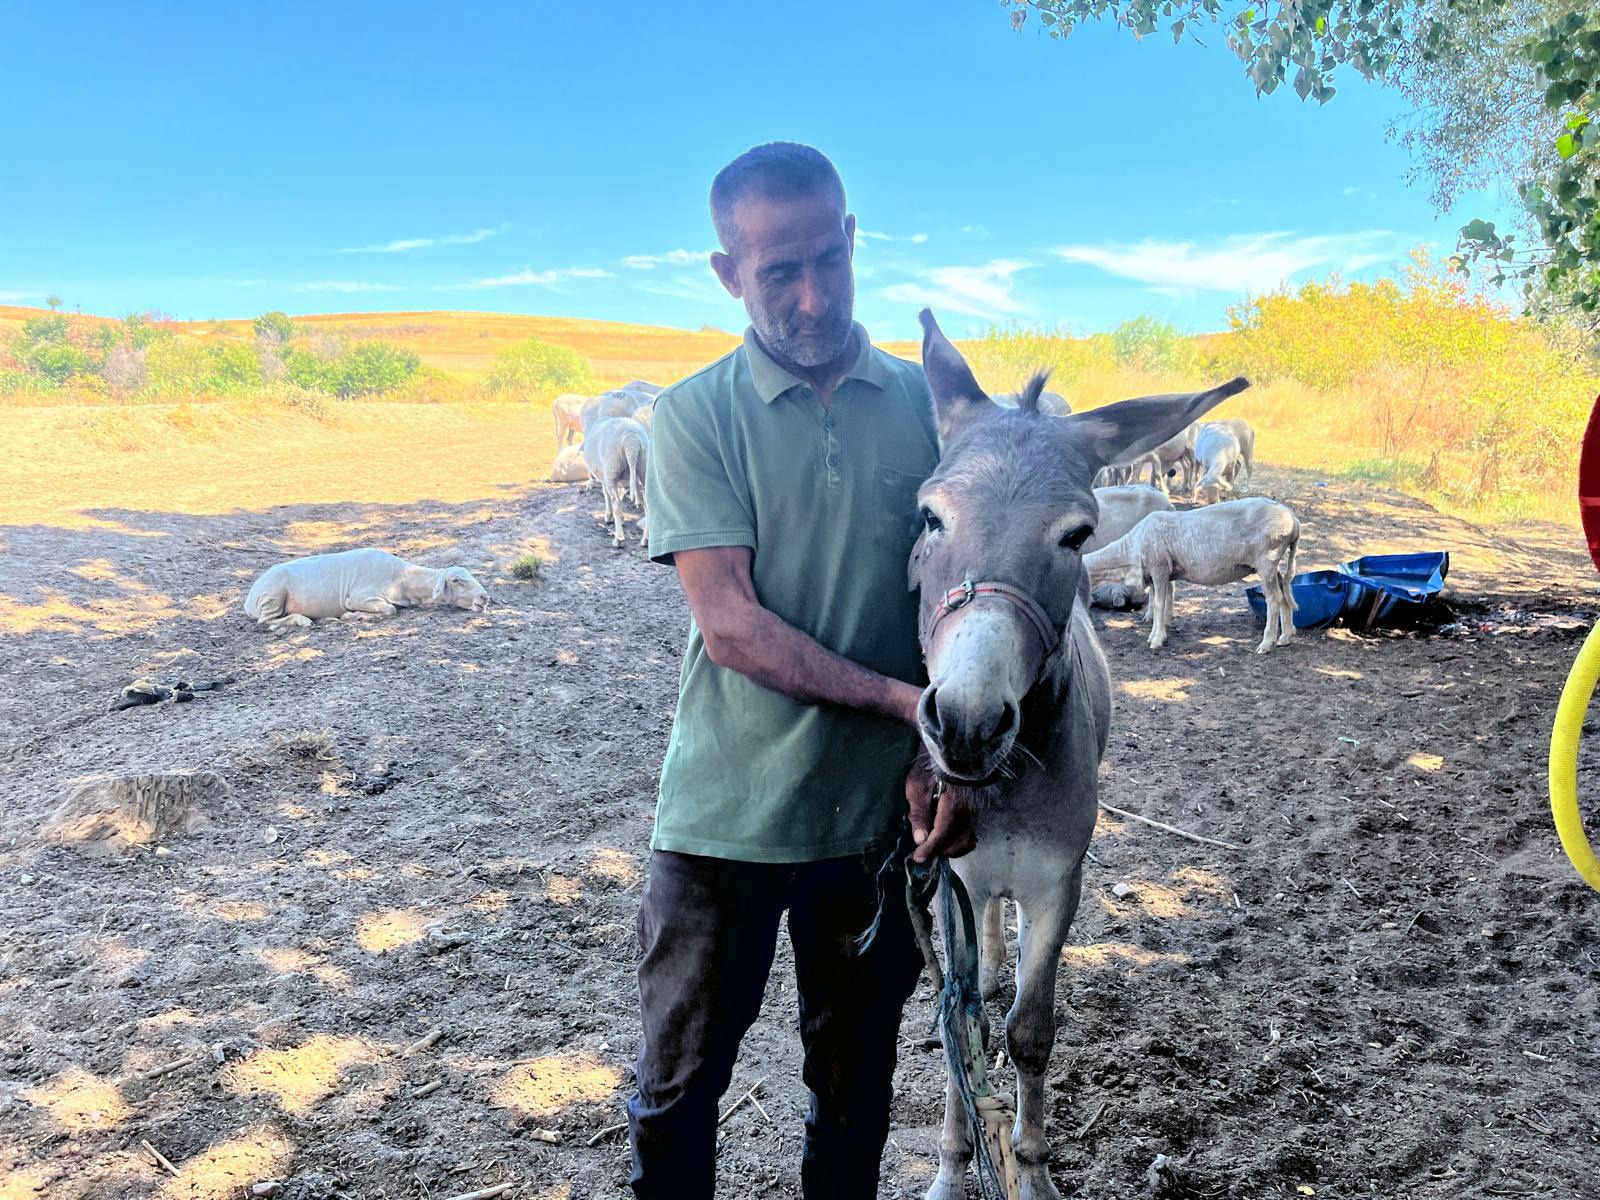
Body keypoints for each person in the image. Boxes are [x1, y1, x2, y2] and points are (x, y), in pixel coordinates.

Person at [627, 141, 975, 1198]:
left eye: (830, 259)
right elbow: (728, 624)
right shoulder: (692, 416)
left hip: (874, 824)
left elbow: (959, 595)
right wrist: (908, 706)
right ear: (728, 273)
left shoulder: (928, 408)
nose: (815, 297)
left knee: (855, 1088)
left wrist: (943, 751)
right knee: (677, 1090)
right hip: (723, 817)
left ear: (854, 239)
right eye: (780, 272)